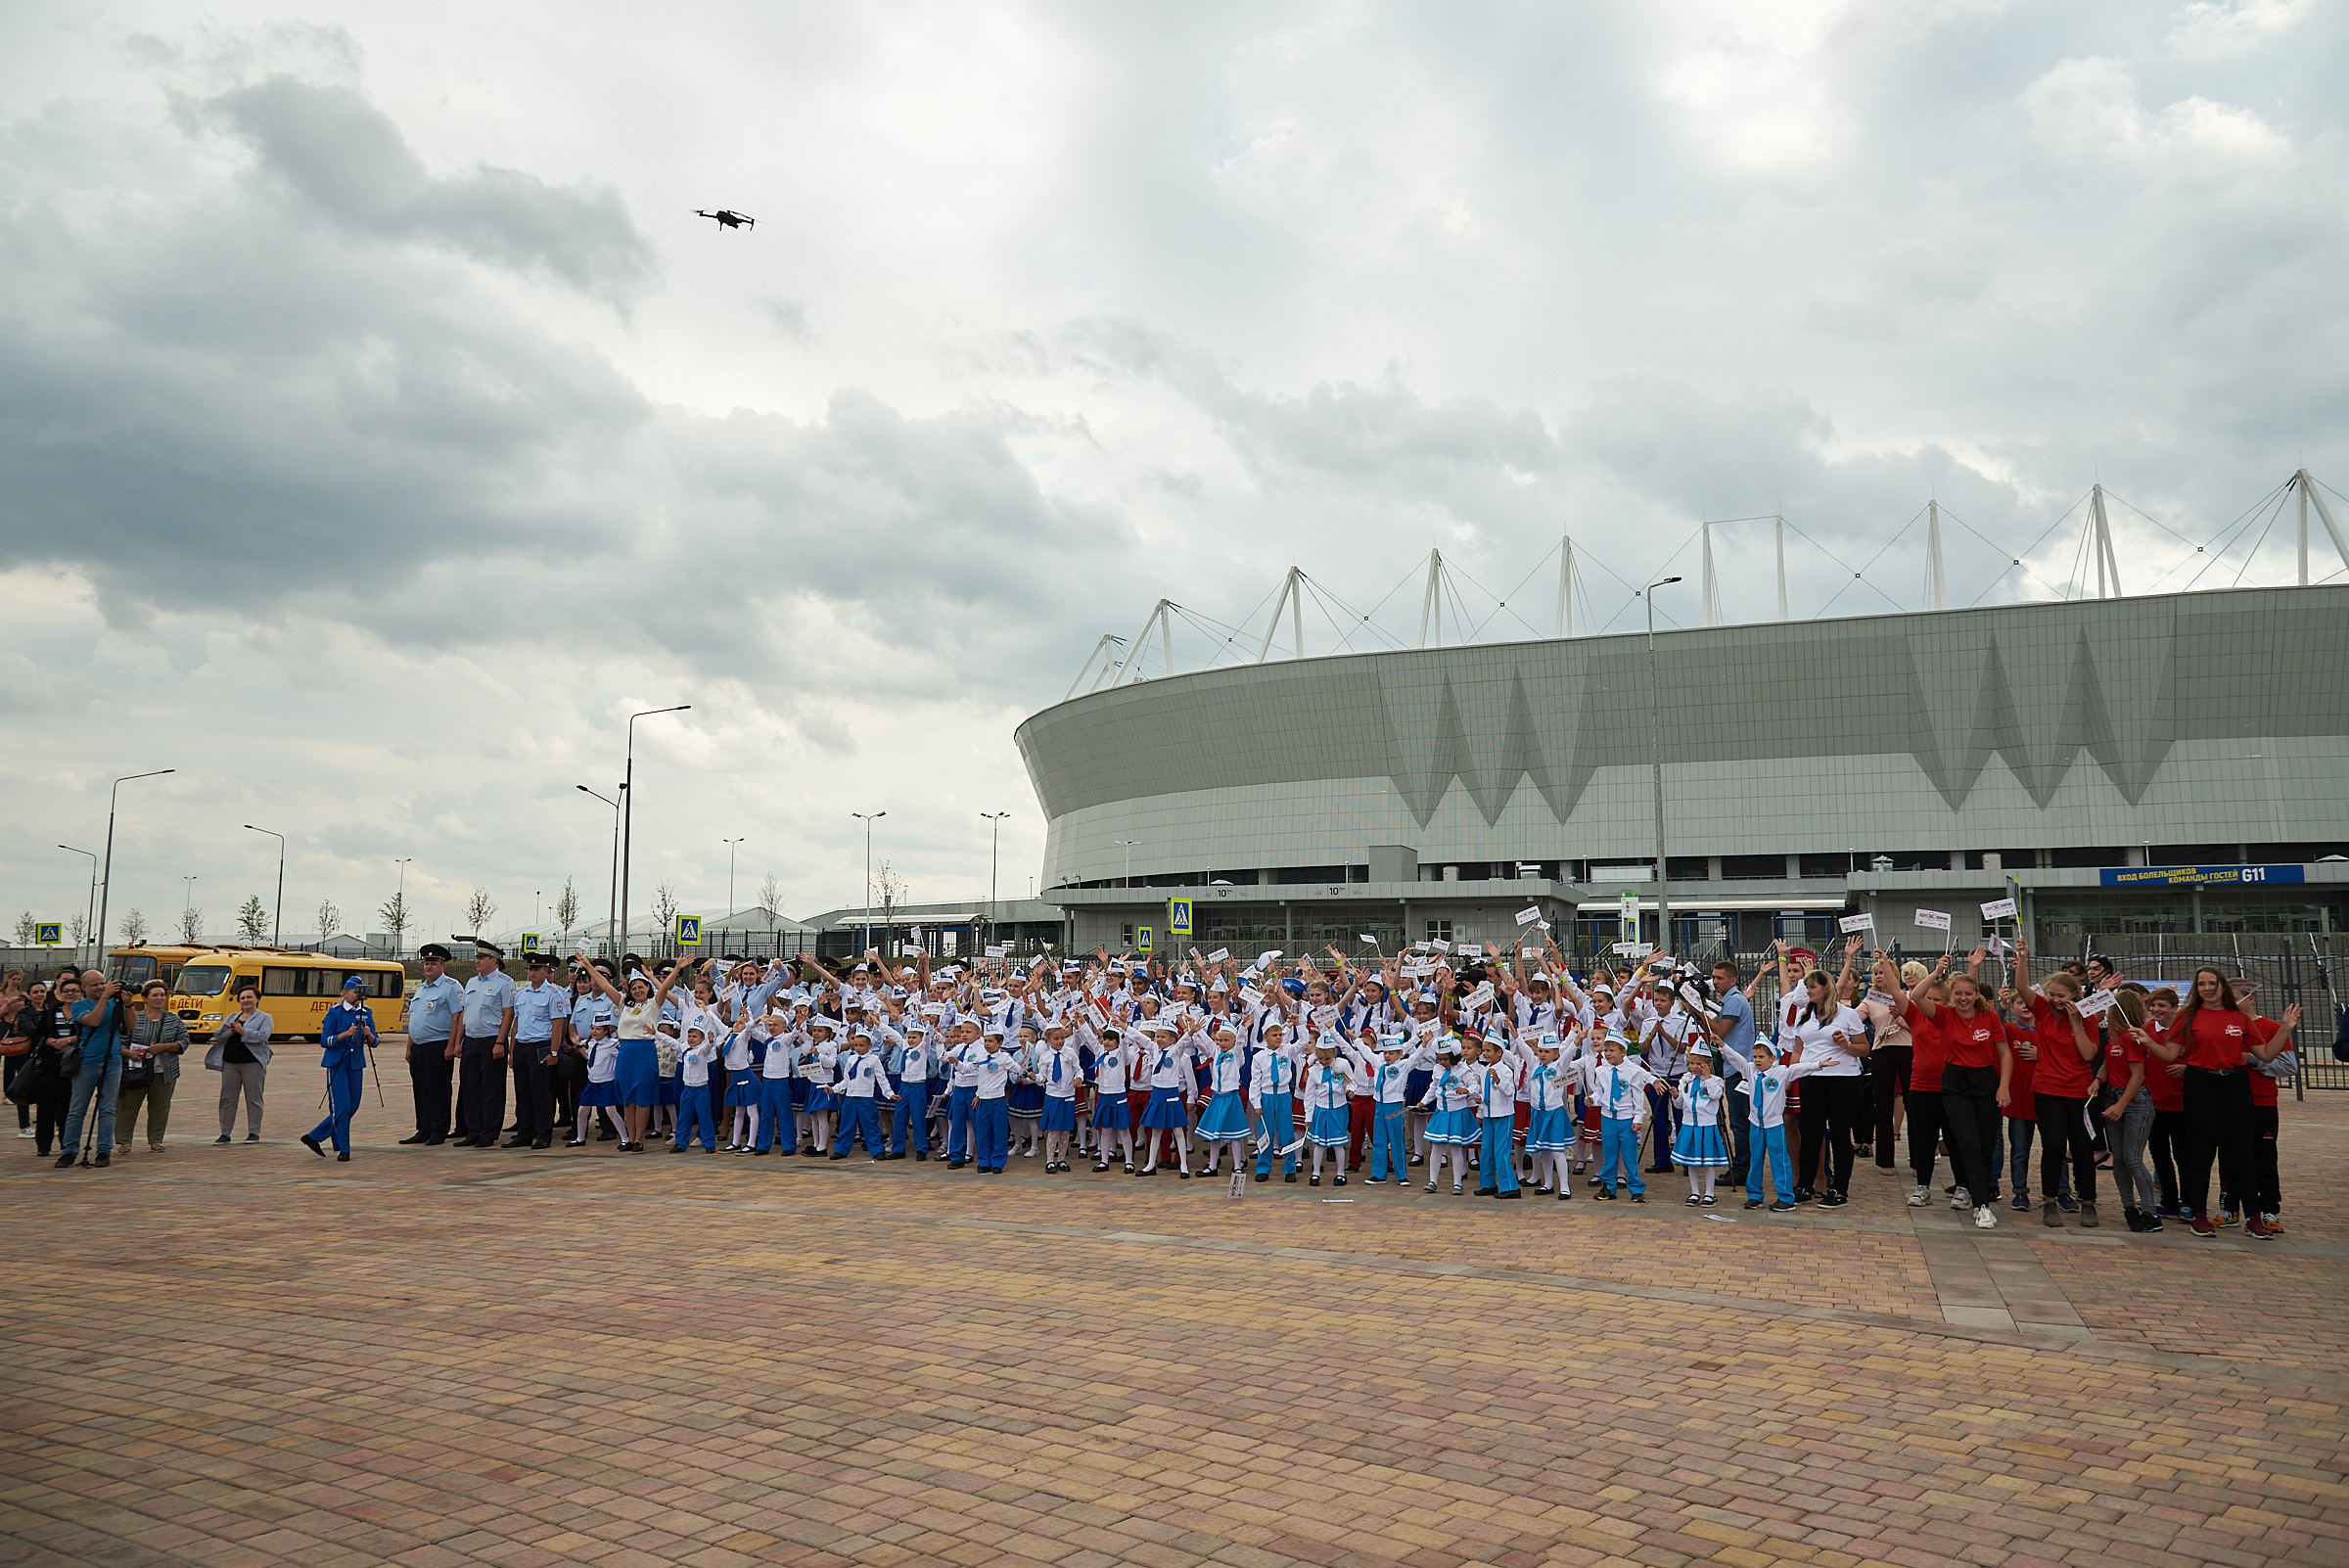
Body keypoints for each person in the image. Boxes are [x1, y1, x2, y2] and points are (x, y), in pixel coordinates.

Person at [57, 969, 129, 1168]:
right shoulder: (80, 1005)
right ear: (84, 987)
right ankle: (69, 1150)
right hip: (87, 1061)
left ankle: (104, 1150)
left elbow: (130, 1025)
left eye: (102, 983)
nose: (100, 987)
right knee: (77, 1109)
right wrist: (105, 998)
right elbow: (93, 1021)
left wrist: (128, 1003)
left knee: (107, 1109)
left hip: (112, 1061)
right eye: (95, 984)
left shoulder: (115, 1003)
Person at [301, 976, 376, 1161]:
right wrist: (345, 1034)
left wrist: (369, 1035)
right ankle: (344, 1149)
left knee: (352, 1106)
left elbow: (375, 1042)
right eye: (351, 991)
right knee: (342, 1107)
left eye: (356, 991)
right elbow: (324, 1040)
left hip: (356, 1063)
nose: (352, 995)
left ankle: (313, 1137)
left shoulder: (366, 1012)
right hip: (337, 1063)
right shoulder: (335, 1012)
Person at [454, 943, 517, 1149]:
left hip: (492, 1040)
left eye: (482, 958)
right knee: (470, 1087)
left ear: (494, 960)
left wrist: (501, 1041)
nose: (477, 961)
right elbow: (465, 1013)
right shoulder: (471, 982)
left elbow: (508, 1013)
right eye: (477, 957)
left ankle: (488, 1132)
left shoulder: (504, 983)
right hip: (471, 1040)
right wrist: (458, 1041)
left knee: (491, 1089)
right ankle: (473, 1130)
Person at [115, 980, 190, 1153]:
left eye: (162, 995)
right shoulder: (134, 1017)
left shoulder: (173, 1019)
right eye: (155, 995)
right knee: (128, 1106)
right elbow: (120, 1042)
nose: (159, 998)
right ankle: (124, 1141)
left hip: (164, 1071)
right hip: (136, 1069)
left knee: (160, 1107)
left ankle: (156, 1140)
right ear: (145, 998)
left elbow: (184, 1041)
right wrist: (129, 1053)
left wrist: (165, 1047)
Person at [401, 943, 463, 1145]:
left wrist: (452, 1045)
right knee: (420, 1088)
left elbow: (457, 1017)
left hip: (438, 1045)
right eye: (426, 963)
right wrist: (409, 1046)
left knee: (439, 1089)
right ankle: (423, 1128)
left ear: (442, 965)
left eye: (433, 963)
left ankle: (438, 1130)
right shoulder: (421, 988)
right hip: (419, 1046)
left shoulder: (451, 987)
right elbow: (415, 1019)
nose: (428, 966)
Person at [506, 953, 565, 1149]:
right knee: (523, 1093)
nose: (532, 973)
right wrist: (512, 1050)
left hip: (541, 1046)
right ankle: (524, 1133)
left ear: (546, 971)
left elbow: (558, 1025)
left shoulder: (553, 994)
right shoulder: (522, 994)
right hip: (522, 1046)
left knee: (541, 1093)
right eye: (529, 969)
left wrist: (554, 1052)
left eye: (536, 969)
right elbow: (517, 1023)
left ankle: (543, 1134)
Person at [207, 984, 273, 1143]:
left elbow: (262, 1037)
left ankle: (253, 1132)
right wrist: (230, 1031)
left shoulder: (264, 1017)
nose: (246, 1000)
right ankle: (225, 1133)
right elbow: (218, 1035)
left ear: (257, 999)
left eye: (249, 997)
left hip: (252, 1063)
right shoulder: (232, 1017)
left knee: (254, 1098)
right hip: (230, 1062)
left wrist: (243, 1031)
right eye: (242, 998)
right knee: (227, 1098)